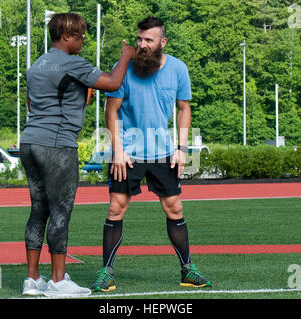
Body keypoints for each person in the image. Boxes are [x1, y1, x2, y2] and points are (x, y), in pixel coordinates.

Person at [90, 16, 211, 292]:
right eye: (139, 39)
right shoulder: (124, 68)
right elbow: (111, 110)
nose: (142, 45)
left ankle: (187, 269)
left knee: (175, 208)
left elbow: (184, 109)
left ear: (162, 42)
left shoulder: (178, 69)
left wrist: (181, 149)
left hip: (163, 153)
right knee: (116, 208)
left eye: (148, 40)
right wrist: (117, 151)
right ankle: (106, 272)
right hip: (127, 154)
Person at [20, 12, 135, 297]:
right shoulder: (72, 63)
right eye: (80, 36)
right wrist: (126, 57)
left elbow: (33, 102)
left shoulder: (37, 65)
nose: (83, 40)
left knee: (38, 210)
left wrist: (76, 99)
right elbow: (112, 83)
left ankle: (32, 280)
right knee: (60, 210)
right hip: (57, 145)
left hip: (30, 141)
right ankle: (58, 281)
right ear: (66, 36)